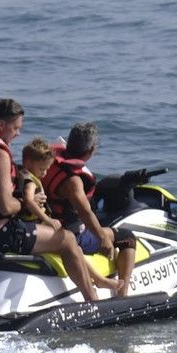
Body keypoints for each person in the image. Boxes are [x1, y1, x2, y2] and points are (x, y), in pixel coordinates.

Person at [0, 99, 101, 301]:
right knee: (68, 239)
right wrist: (28, 202)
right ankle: (93, 300)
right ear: (2, 125)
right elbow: (5, 207)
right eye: (16, 128)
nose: (18, 133)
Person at [41, 122, 137, 297]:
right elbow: (85, 212)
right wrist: (102, 238)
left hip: (47, 224)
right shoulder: (73, 181)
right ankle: (123, 294)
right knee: (128, 237)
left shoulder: (49, 160)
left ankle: (101, 279)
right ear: (91, 150)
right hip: (71, 233)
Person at [18, 137, 123, 294]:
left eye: (47, 169)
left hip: (33, 224)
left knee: (75, 248)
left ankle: (99, 280)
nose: (45, 173)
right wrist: (48, 219)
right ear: (28, 163)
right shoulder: (30, 181)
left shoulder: (21, 173)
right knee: (72, 243)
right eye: (42, 170)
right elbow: (28, 200)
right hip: (37, 224)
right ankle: (98, 286)